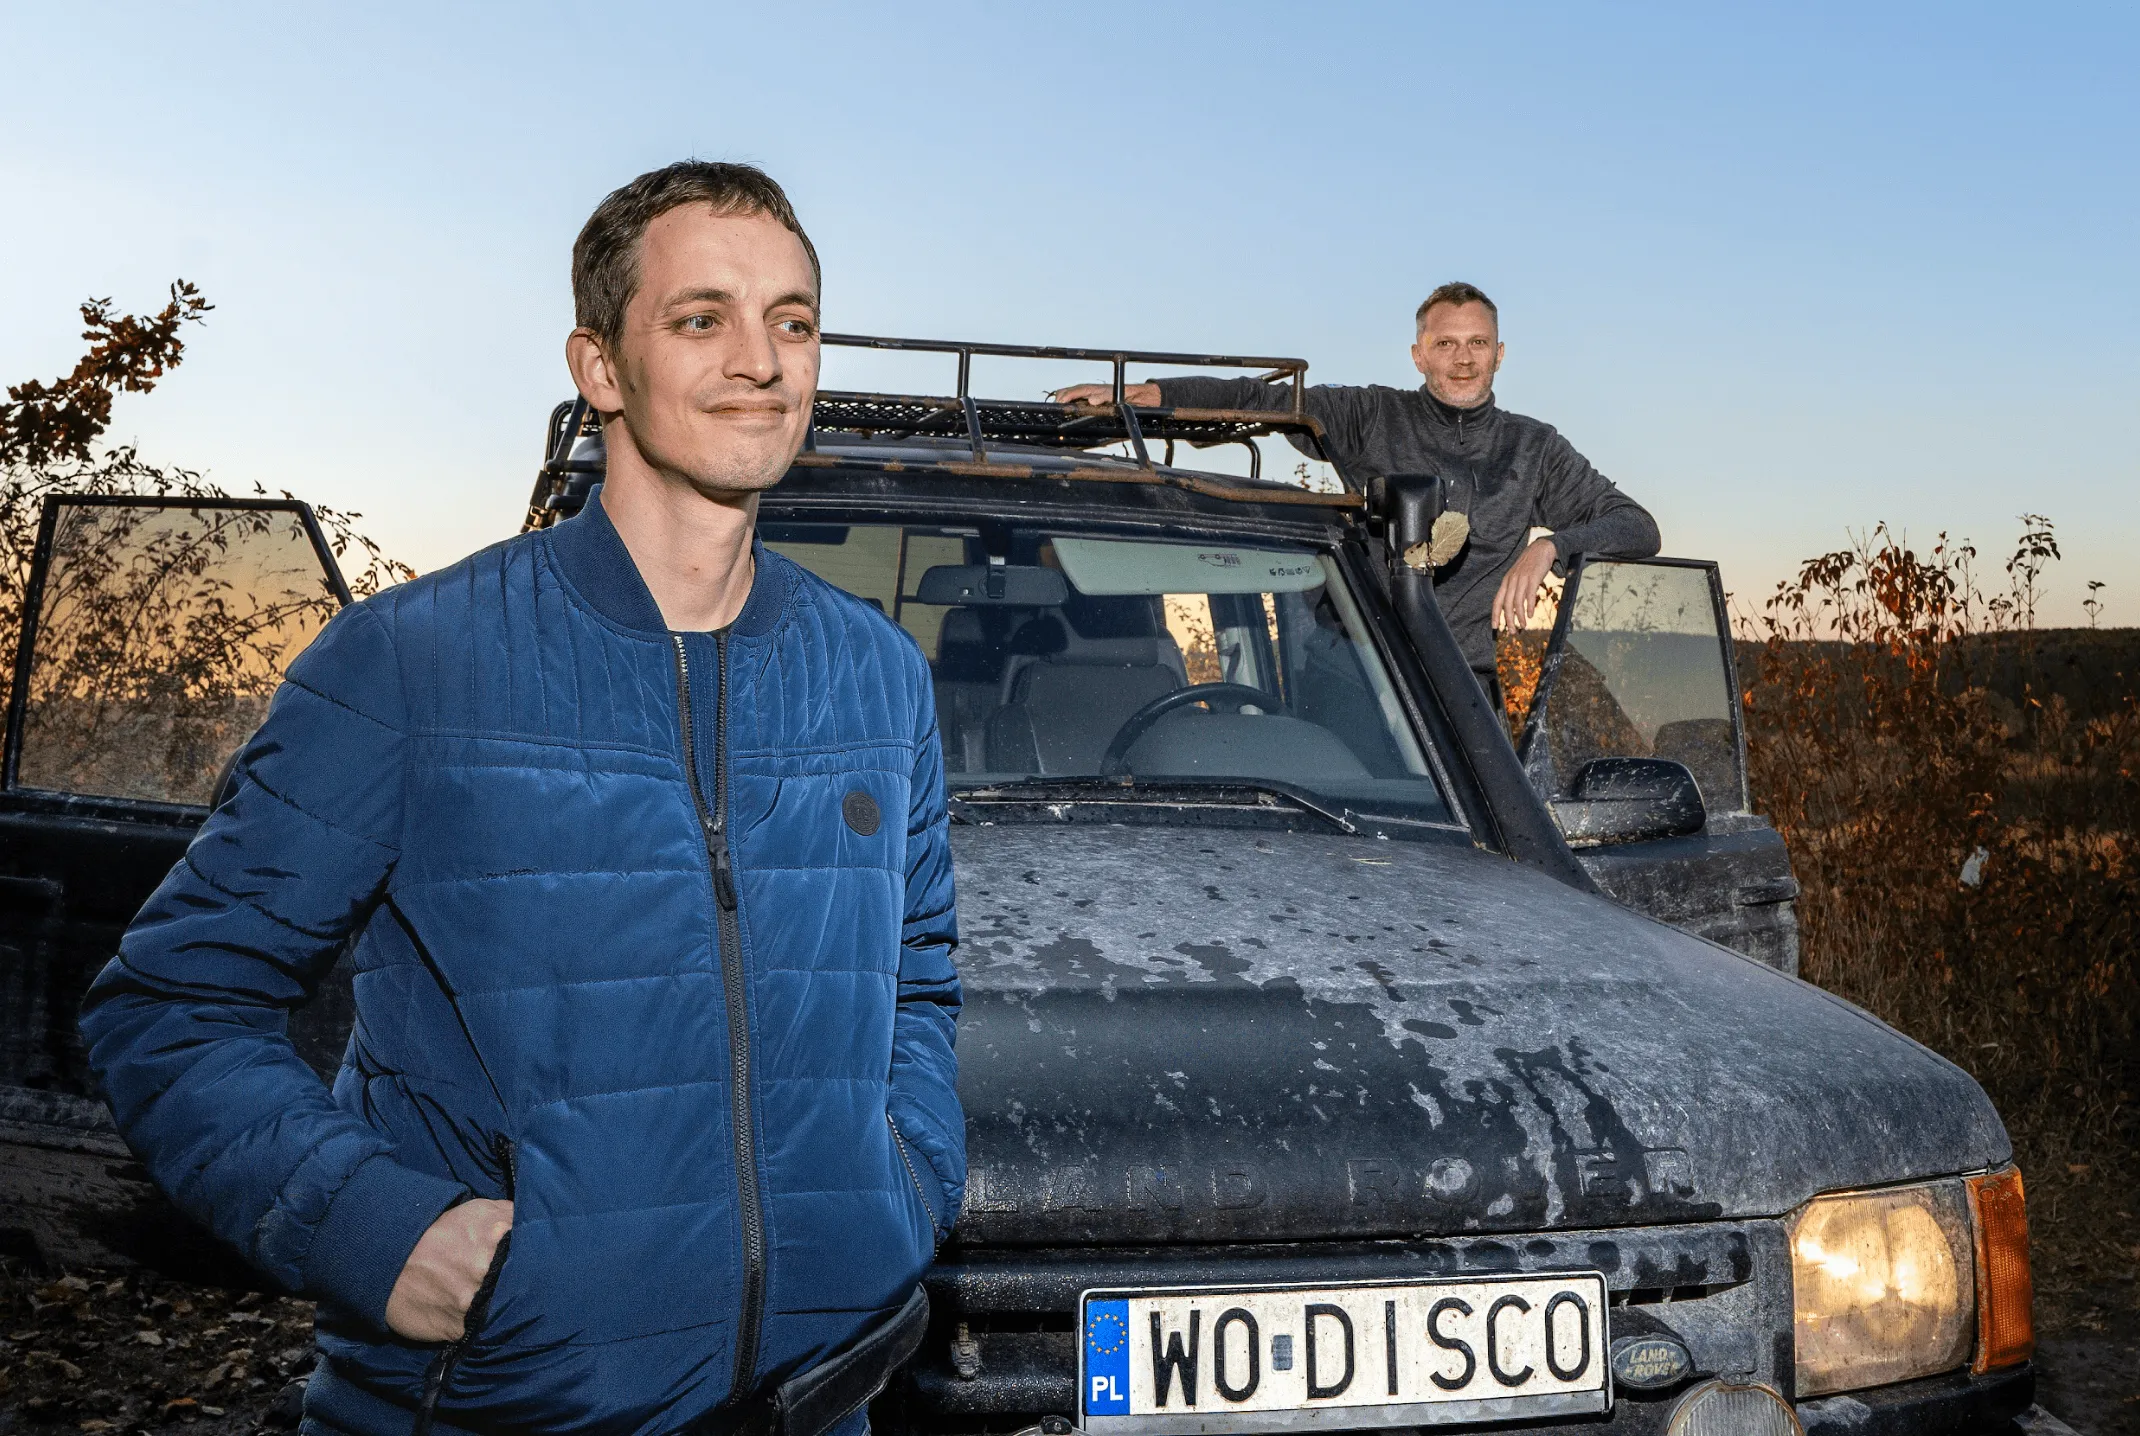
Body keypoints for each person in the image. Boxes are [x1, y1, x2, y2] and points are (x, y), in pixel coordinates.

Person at [79, 162, 963, 1436]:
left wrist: (903, 1185)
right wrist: (376, 1224)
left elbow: (918, 976)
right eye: (701, 317)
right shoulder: (413, 661)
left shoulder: (876, 673)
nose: (761, 360)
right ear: (601, 366)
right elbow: (170, 1004)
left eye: (793, 319)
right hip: (498, 1401)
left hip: (824, 1398)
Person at [1054, 282, 1659, 700]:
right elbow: (1264, 400)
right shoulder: (1370, 415)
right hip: (1355, 677)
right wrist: (1154, 395)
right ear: (1418, 355)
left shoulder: (1535, 448)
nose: (1463, 359)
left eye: (1477, 343)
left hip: (1465, 691)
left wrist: (1550, 546)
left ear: (1499, 354)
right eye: (1445, 344)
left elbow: (1637, 526)